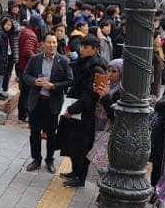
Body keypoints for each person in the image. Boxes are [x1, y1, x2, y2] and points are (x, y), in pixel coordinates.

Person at [23, 33, 73, 174]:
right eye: (49, 42)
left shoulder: (63, 61)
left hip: (52, 103)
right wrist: (34, 81)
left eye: (54, 42)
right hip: (36, 101)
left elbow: (70, 81)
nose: (52, 45)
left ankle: (49, 160)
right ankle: (36, 159)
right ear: (43, 44)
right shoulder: (35, 59)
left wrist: (53, 86)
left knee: (51, 134)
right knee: (34, 133)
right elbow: (25, 75)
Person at [62, 35, 107, 187]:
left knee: (82, 145)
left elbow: (91, 96)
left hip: (86, 113)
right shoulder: (83, 63)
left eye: (86, 47)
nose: (81, 49)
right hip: (77, 108)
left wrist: (72, 109)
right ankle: (74, 172)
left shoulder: (96, 68)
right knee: (73, 142)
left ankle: (80, 177)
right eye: (81, 46)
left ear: (94, 50)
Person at [16, 15, 42, 121]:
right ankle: (23, 114)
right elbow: (27, 51)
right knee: (26, 92)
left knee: (24, 91)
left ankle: (22, 113)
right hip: (25, 67)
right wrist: (37, 59)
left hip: (21, 65)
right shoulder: (31, 35)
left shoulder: (25, 31)